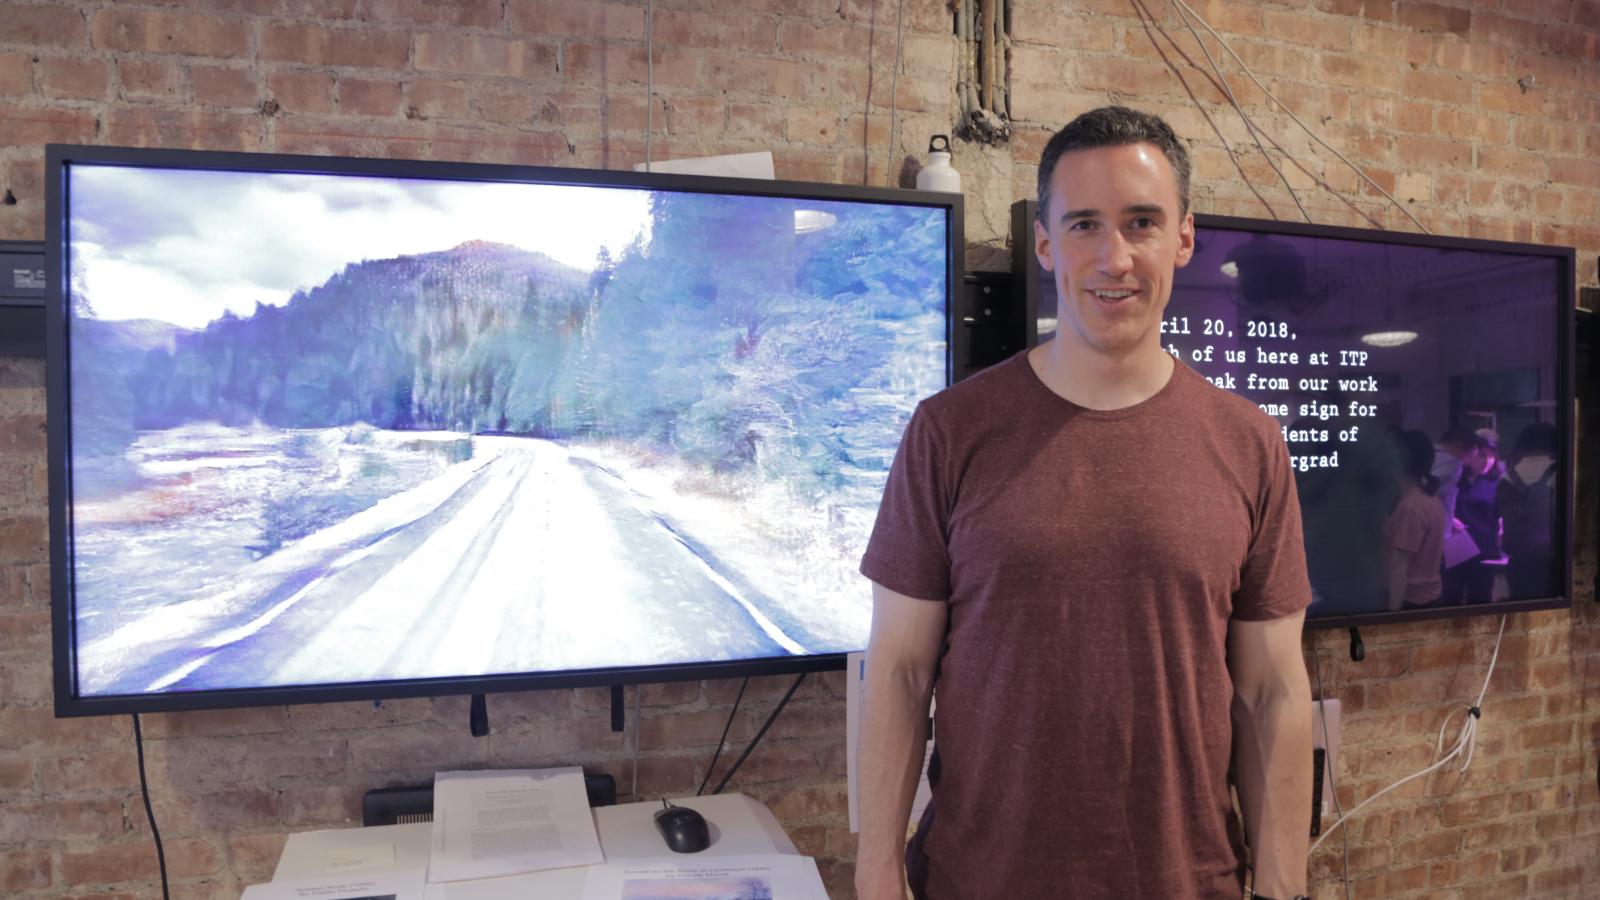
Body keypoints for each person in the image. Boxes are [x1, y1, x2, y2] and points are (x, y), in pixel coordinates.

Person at [855, 106, 1313, 900]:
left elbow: (1272, 690)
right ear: (1044, 241)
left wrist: (1282, 889)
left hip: (1186, 882)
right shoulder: (949, 431)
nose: (1115, 257)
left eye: (1141, 222)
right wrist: (876, 875)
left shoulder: (1250, 444)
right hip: (978, 880)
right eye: (1084, 225)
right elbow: (898, 671)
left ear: (1183, 237)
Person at [1382, 429, 1448, 610]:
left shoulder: (1411, 508)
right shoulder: (1430, 500)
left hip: (1410, 602)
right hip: (1428, 598)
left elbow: (1399, 568)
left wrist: (1392, 617)